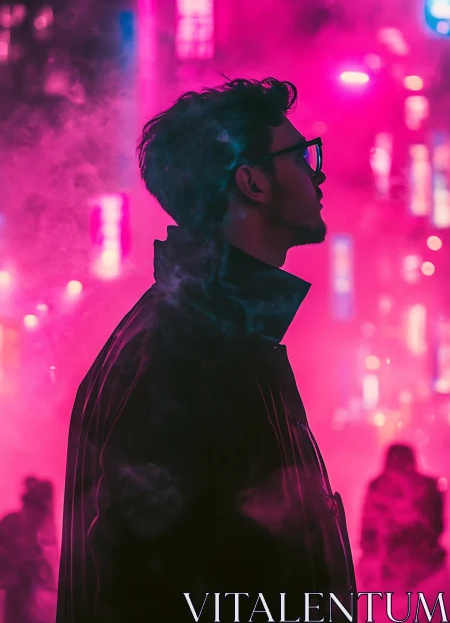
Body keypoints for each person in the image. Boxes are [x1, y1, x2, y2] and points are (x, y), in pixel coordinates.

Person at [57, 78, 357, 622]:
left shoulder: (216, 330)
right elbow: (139, 594)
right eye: (300, 155)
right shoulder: (191, 350)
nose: (318, 172)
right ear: (251, 182)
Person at [358, 443, 447, 595]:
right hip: (422, 562)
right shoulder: (430, 485)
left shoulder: (378, 486)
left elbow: (367, 530)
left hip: (402, 563)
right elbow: (438, 526)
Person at [0, 476, 58, 623]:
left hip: (28, 598)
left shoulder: (36, 534)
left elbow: (47, 575)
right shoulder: (9, 524)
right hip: (14, 594)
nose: (39, 520)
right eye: (38, 515)